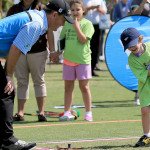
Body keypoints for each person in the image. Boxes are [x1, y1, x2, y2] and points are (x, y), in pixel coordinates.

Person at [0, 0, 74, 149]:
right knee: (7, 91)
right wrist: (8, 76)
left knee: (4, 91)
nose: (63, 24)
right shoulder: (36, 24)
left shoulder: (37, 18)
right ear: (54, 15)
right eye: (63, 20)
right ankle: (7, 140)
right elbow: (15, 49)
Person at [7, 0, 50, 122]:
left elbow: (49, 31)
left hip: (38, 50)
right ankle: (20, 112)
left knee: (39, 81)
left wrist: (52, 50)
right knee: (21, 81)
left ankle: (41, 112)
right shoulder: (14, 9)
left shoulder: (42, 9)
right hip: (18, 51)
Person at [59, 0, 94, 122]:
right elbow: (62, 40)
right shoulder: (67, 24)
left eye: (78, 10)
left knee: (84, 87)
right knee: (68, 88)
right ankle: (67, 112)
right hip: (68, 60)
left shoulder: (87, 24)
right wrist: (57, 52)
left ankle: (88, 112)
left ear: (83, 10)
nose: (75, 12)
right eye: (72, 10)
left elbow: (83, 40)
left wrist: (77, 26)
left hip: (83, 60)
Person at [120, 27, 150, 147]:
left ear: (140, 39)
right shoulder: (132, 60)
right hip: (145, 86)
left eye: (133, 44)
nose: (131, 48)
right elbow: (143, 74)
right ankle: (147, 135)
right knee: (145, 110)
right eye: (128, 46)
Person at [83, 0, 107, 76]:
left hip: (97, 26)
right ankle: (84, 69)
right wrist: (90, 8)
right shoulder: (83, 1)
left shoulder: (100, 1)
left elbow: (105, 12)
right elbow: (81, 13)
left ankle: (92, 69)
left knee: (96, 48)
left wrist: (99, 9)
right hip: (86, 26)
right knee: (85, 48)